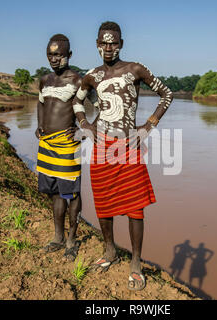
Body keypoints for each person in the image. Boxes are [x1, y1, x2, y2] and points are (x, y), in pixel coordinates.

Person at [71, 21, 173, 290]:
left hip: (128, 145)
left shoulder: (135, 69)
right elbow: (77, 101)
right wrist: (84, 124)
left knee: (134, 206)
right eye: (104, 43)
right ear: (97, 45)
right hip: (102, 145)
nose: (108, 47)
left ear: (121, 44)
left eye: (113, 42)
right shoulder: (92, 75)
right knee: (103, 201)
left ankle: (136, 263)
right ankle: (110, 252)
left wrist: (148, 126)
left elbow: (167, 94)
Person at [36, 34, 83, 261]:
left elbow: (97, 108)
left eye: (58, 54)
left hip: (67, 145)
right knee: (55, 192)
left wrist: (83, 130)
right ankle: (58, 238)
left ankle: (72, 241)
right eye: (50, 54)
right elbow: (40, 103)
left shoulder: (77, 81)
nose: (54, 59)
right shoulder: (45, 80)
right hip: (46, 144)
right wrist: (38, 125)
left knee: (70, 192)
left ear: (69, 55)